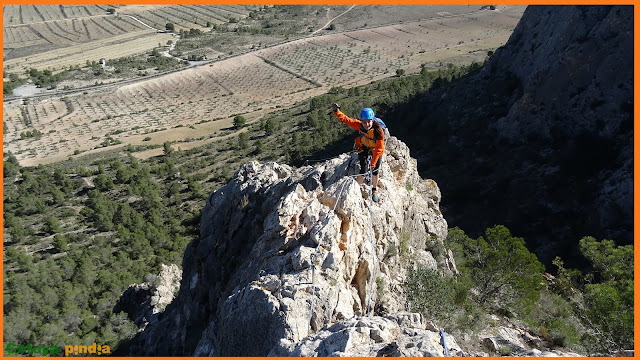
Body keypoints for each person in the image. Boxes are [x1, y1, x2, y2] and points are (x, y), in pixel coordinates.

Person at [331, 103, 384, 202]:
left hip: (375, 150)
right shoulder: (359, 125)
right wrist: (337, 111)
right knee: (363, 170)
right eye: (364, 122)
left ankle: (374, 189)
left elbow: (379, 149)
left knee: (375, 171)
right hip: (363, 147)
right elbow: (346, 120)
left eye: (369, 122)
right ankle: (355, 188)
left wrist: (373, 163)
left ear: (372, 120)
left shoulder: (378, 131)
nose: (367, 124)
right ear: (361, 121)